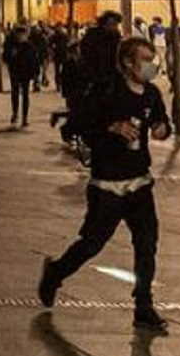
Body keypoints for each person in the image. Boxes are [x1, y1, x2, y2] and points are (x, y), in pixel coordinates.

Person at [39, 37, 172, 332]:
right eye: (145, 59)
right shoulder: (106, 91)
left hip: (140, 182)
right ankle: (56, 272)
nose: (151, 66)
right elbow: (73, 127)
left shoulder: (151, 94)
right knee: (92, 243)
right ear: (127, 62)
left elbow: (162, 123)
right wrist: (110, 127)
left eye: (153, 59)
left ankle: (143, 305)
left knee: (147, 244)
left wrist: (162, 129)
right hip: (107, 185)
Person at [3, 25, 39, 128]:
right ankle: (15, 114)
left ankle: (24, 117)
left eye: (23, 34)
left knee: (25, 95)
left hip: (26, 73)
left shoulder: (29, 46)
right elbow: (5, 58)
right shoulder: (10, 45)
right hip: (15, 72)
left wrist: (36, 74)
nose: (21, 36)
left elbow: (34, 61)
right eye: (19, 34)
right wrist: (11, 55)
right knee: (15, 94)